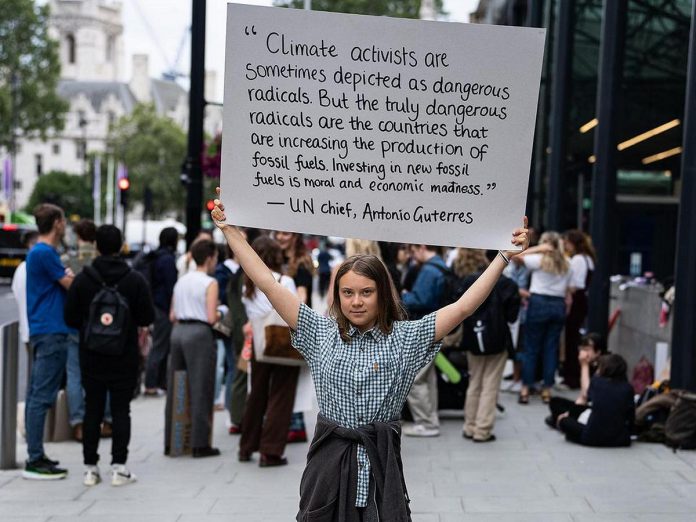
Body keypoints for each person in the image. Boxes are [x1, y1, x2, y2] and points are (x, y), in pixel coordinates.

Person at [211, 189, 528, 519]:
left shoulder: (407, 337)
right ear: (337, 294)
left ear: (382, 295)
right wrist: (229, 229)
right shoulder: (320, 332)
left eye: (366, 292)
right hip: (328, 466)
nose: (356, 301)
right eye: (347, 293)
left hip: (382, 468)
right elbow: (268, 284)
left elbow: (462, 307)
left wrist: (503, 257)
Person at [64, 225, 155, 486]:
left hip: (91, 354)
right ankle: (119, 466)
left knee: (92, 408)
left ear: (96, 246)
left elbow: (70, 317)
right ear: (121, 245)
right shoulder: (134, 279)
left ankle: (90, 467)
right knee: (120, 410)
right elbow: (147, 317)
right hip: (123, 355)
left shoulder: (83, 279)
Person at [23, 204, 81, 479]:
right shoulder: (45, 253)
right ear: (57, 223)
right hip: (50, 328)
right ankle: (34, 458)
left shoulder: (43, 252)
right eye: (63, 220)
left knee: (40, 393)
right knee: (40, 395)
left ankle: (38, 454)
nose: (65, 225)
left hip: (48, 328)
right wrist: (69, 276)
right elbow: (71, 284)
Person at [238, 236, 300, 466]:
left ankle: (246, 445)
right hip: (281, 340)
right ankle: (271, 450)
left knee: (257, 393)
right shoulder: (285, 281)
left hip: (258, 342)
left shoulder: (248, 284)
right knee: (281, 394)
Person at [164, 238, 221, 458]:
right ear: (209, 258)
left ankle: (172, 441)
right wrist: (221, 313)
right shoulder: (209, 283)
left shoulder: (182, 281)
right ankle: (199, 443)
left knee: (176, 386)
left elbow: (172, 314)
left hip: (177, 333)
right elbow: (210, 317)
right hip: (199, 334)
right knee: (201, 387)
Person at [460, 250, 520, 442]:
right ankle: (482, 430)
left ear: (486, 256)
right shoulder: (508, 284)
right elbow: (512, 316)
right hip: (497, 338)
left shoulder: (470, 279)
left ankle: (469, 426)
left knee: (474, 382)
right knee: (490, 385)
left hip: (472, 338)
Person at [515, 231, 572, 405]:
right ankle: (547, 389)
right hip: (558, 304)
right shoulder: (567, 263)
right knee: (551, 349)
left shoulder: (539, 260)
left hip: (538, 302)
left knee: (531, 348)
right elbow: (570, 290)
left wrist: (539, 248)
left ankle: (525, 388)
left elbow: (515, 255)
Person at [401, 244, 447, 437]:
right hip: (435, 327)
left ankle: (426, 423)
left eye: (412, 250)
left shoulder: (428, 270)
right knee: (428, 378)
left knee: (415, 378)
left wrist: (404, 295)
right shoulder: (441, 266)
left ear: (421, 247)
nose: (412, 255)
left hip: (423, 328)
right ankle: (431, 419)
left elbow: (419, 299)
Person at [274, 231, 315, 443]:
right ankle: (286, 422)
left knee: (293, 374)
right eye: (278, 233)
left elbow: (303, 296)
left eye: (286, 233)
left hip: (294, 322)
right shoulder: (274, 257)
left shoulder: (301, 261)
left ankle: (296, 423)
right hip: (278, 322)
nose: (281, 237)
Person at [556, 353, 634, 447]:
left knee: (563, 420)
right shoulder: (627, 388)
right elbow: (630, 416)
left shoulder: (597, 382)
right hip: (620, 439)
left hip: (593, 438)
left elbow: (586, 395)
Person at [143, 227, 179, 395]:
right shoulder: (168, 260)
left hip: (154, 304)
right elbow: (171, 287)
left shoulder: (155, 256)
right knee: (159, 346)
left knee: (159, 345)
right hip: (163, 307)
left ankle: (156, 383)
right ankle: (152, 384)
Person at [546, 333, 606, 429]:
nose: (583, 353)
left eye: (587, 350)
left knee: (564, 414)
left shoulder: (604, 366)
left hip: (598, 410)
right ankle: (565, 418)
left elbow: (587, 394)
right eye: (582, 349)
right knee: (555, 402)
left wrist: (584, 365)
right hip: (588, 405)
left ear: (598, 352)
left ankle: (564, 419)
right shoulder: (591, 363)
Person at [561, 229, 596, 389]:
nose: (565, 246)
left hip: (576, 300)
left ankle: (571, 376)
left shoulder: (578, 260)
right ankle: (572, 374)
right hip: (582, 300)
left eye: (567, 242)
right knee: (574, 338)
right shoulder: (588, 259)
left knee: (571, 339)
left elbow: (575, 285)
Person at [11, 230, 39, 390]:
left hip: (27, 331)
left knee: (34, 380)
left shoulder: (21, 268)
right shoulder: (38, 266)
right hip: (42, 330)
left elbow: (16, 293)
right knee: (42, 383)